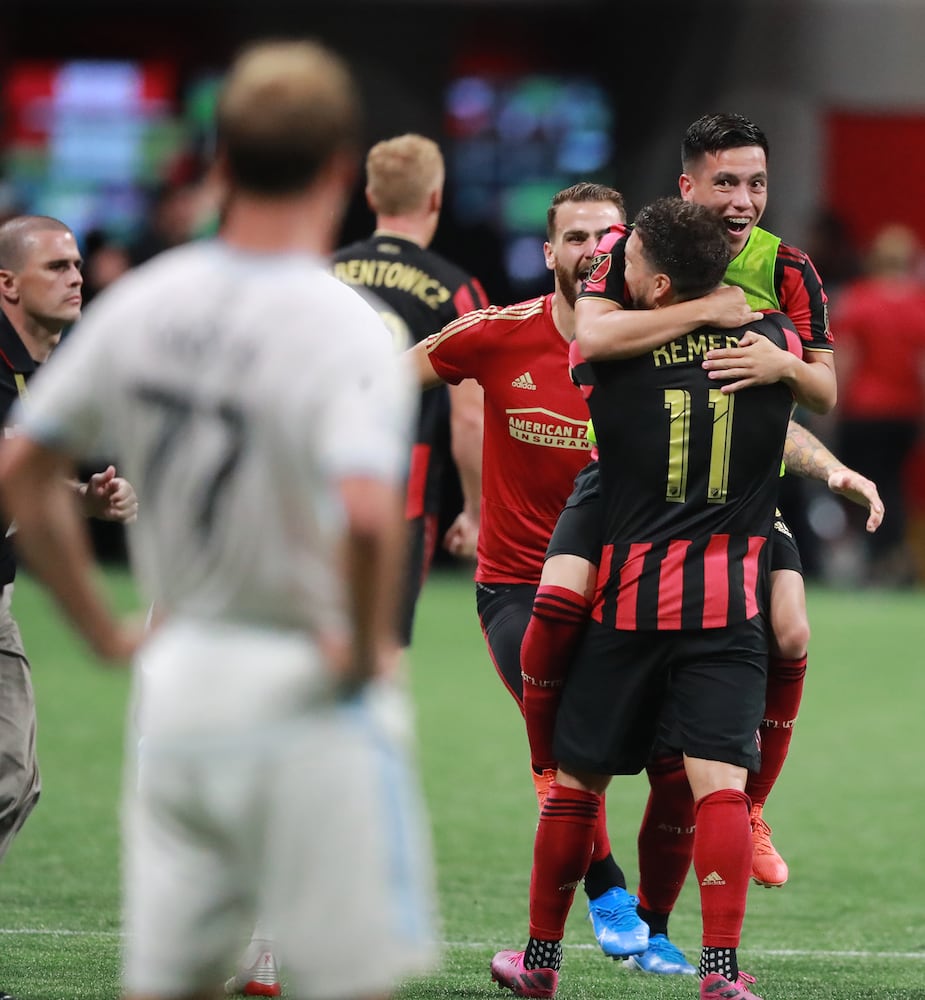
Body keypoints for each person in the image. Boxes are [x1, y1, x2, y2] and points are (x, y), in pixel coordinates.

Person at [0, 39, 437, 1000]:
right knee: (336, 977)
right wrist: (367, 652)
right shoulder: (345, 326)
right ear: (336, 171)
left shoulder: (145, 306)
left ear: (222, 166)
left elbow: (24, 464)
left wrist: (99, 626)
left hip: (182, 681)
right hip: (303, 678)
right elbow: (369, 516)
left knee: (175, 979)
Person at [521, 117, 883, 954]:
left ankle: (748, 810)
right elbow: (592, 334)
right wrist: (709, 315)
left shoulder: (791, 269)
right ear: (688, 187)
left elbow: (822, 389)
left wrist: (782, 369)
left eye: (756, 183)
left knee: (791, 625)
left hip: (738, 481)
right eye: (727, 183)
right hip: (629, 477)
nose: (744, 200)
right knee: (559, 595)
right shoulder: (641, 245)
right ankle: (556, 767)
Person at [408, 181, 758, 966]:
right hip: (518, 587)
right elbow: (385, 380)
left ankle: (656, 925)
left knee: (678, 765)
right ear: (548, 253)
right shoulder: (498, 334)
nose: (593, 249)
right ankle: (602, 897)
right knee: (567, 756)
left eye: (608, 234)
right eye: (574, 237)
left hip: (628, 589)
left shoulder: (660, 348)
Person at [491, 197, 805, 1000]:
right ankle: (722, 975)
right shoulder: (771, 346)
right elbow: (817, 388)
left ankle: (538, 963)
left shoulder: (612, 359)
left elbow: (587, 333)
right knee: (720, 790)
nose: (613, 271)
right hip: (727, 608)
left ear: (658, 286)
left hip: (626, 607)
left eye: (626, 263)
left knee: (574, 789)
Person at [0, 214, 138, 1000]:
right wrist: (99, 627)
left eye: (79, 262)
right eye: (57, 265)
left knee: (12, 779)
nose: (77, 275)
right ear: (8, 284)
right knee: (9, 775)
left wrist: (81, 497)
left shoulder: (42, 364)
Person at [333, 133, 490, 643]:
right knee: (378, 649)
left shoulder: (321, 276)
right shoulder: (457, 289)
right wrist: (474, 509)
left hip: (315, 490)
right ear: (436, 198)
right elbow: (469, 417)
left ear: (371, 197)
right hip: (401, 500)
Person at [832, 222, 925, 586]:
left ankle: (871, 558)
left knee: (859, 486)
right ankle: (891, 558)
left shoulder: (858, 299)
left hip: (863, 412)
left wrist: (830, 409)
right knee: (894, 485)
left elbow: (846, 359)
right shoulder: (919, 307)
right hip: (904, 414)